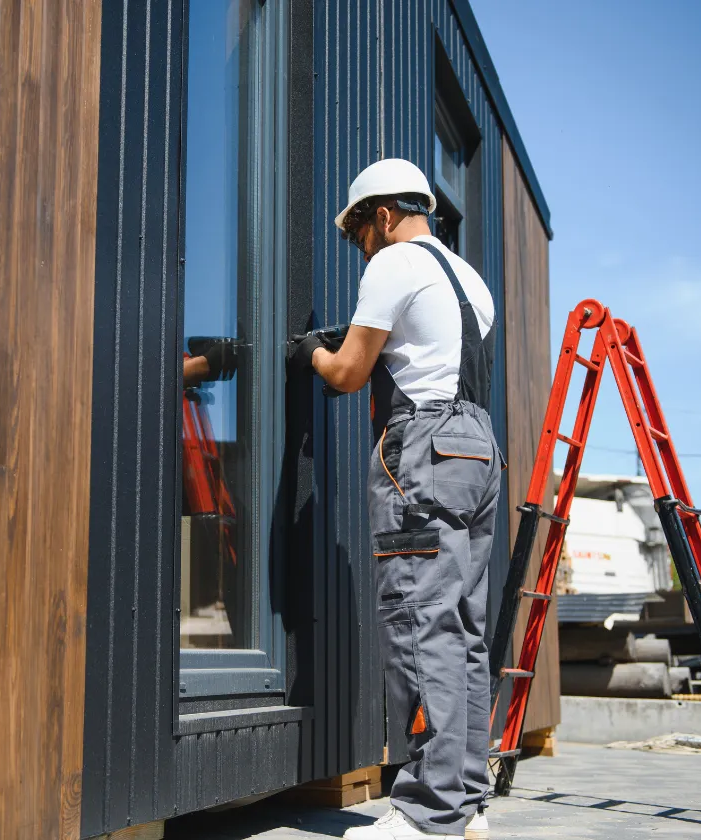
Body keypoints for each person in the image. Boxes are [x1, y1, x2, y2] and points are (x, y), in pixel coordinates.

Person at [290, 159, 502, 840]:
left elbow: (351, 372)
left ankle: (424, 812)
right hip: (478, 445)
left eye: (359, 236)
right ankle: (466, 802)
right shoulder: (471, 279)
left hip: (426, 445)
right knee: (463, 630)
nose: (362, 250)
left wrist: (310, 356)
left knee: (418, 619)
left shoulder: (395, 262)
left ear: (381, 216)